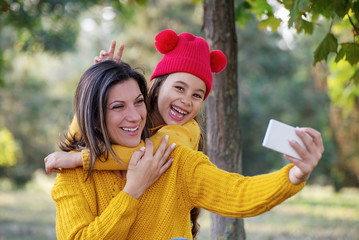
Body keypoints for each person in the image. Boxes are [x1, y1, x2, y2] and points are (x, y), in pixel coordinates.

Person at [51, 59, 323, 240]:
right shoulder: (73, 174)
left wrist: (295, 175)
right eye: (118, 107)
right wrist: (132, 191)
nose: (135, 116)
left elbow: (239, 193)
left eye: (137, 102)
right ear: (95, 117)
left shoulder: (173, 155)